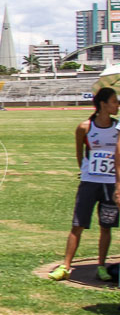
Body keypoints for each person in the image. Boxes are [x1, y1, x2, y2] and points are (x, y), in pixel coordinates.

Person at [49, 87, 118, 281]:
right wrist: (85, 171)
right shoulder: (85, 127)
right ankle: (66, 266)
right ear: (102, 104)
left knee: (106, 226)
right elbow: (79, 153)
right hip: (89, 183)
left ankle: (101, 266)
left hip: (111, 184)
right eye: (114, 101)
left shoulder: (118, 127)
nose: (117, 105)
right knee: (78, 224)